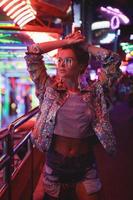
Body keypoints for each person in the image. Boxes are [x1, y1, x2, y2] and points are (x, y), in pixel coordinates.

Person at [25, 31, 121, 200]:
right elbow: (33, 52)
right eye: (59, 60)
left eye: (68, 60)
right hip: (55, 165)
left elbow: (112, 60)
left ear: (81, 66)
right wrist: (65, 42)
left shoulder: (95, 93)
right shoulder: (48, 90)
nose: (61, 65)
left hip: (85, 166)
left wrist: (85, 46)